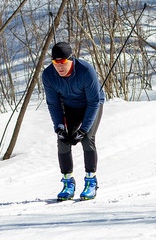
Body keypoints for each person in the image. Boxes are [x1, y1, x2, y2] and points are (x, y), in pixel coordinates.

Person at [42, 42, 105, 201]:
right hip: (69, 108)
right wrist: (59, 127)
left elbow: (93, 103)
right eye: (55, 62)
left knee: (86, 139)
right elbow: (53, 104)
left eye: (63, 62)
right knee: (63, 140)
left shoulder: (85, 71)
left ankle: (91, 181)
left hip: (91, 105)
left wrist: (83, 129)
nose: (59, 66)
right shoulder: (48, 75)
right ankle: (67, 182)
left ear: (71, 59)